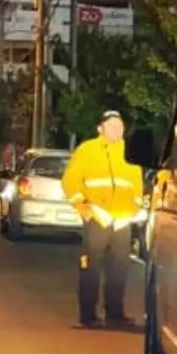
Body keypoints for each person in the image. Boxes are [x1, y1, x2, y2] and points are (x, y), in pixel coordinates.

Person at [61, 110, 145, 328]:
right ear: (100, 129)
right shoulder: (87, 150)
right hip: (97, 217)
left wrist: (132, 212)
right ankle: (88, 315)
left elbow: (137, 187)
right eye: (111, 126)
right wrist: (85, 208)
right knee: (91, 267)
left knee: (120, 268)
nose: (116, 131)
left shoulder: (130, 152)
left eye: (119, 127)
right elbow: (71, 181)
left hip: (122, 221)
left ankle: (115, 314)